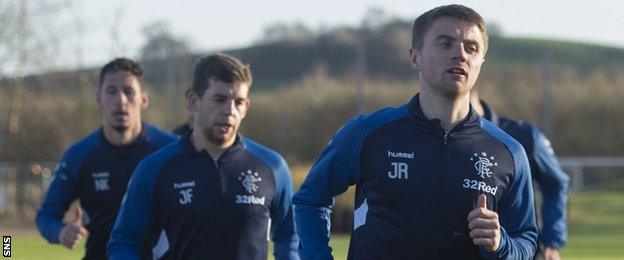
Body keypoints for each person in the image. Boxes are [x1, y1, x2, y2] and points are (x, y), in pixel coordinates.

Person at [293, 4, 538, 259]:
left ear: (481, 62)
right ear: (415, 57)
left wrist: (501, 244)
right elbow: (310, 199)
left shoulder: (509, 152)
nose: (460, 54)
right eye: (445, 43)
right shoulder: (368, 133)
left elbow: (526, 241)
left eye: (471, 47)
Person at [108, 53, 299, 260]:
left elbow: (290, 236)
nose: (229, 110)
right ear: (193, 101)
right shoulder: (155, 168)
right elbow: (124, 241)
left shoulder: (272, 167)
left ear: (246, 107)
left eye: (239, 102)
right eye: (219, 99)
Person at [36, 58, 178, 259]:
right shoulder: (79, 155)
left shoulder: (171, 149)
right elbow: (46, 215)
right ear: (99, 98)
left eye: (129, 92)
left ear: (143, 100)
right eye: (112, 91)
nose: (120, 100)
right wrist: (61, 232)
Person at [471, 90, 569, 260]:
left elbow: (556, 184)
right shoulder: (431, 137)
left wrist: (552, 240)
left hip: (521, 252)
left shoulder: (524, 136)